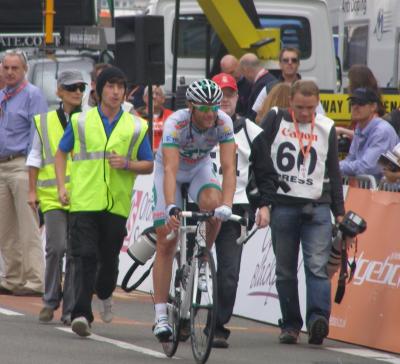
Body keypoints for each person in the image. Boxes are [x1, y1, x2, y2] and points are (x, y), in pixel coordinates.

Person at [55, 66, 154, 337]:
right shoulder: (81, 121)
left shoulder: (136, 125)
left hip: (117, 205)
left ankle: (106, 292)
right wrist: (62, 186)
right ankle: (81, 315)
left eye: (120, 87)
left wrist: (128, 163)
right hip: (84, 202)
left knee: (108, 261)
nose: (115, 91)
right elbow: (61, 153)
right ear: (99, 91)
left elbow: (149, 164)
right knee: (84, 256)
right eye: (110, 86)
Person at [251, 80, 346, 345]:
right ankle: (291, 324)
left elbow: (334, 173)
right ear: (290, 101)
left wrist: (340, 212)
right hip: (283, 205)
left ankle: (318, 320)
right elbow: (257, 155)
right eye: (300, 107)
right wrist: (262, 199)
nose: (305, 114)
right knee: (285, 269)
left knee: (317, 266)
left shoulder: (326, 127)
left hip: (318, 206)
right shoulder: (275, 119)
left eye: (311, 108)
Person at [151, 78, 237, 341]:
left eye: (214, 107)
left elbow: (229, 167)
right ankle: (161, 316)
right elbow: (170, 169)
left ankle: (201, 258)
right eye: (204, 109)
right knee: (166, 240)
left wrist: (227, 205)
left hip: (200, 167)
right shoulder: (175, 123)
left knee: (213, 203)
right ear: (190, 107)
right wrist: (171, 206)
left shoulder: (223, 121)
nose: (210, 114)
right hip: (171, 172)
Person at [210, 73, 276, 348]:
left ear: (239, 98)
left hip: (234, 208)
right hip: (200, 204)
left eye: (230, 93)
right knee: (189, 264)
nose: (225, 99)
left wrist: (264, 205)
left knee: (228, 273)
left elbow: (265, 174)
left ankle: (217, 326)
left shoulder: (252, 131)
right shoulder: (195, 127)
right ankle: (180, 317)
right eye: (220, 93)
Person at [26, 70, 86, 324]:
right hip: (52, 197)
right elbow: (35, 157)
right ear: (59, 91)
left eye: (81, 87)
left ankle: (71, 308)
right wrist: (32, 191)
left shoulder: (90, 119)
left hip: (83, 196)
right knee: (56, 248)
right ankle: (50, 300)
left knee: (75, 252)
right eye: (71, 87)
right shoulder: (44, 121)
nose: (77, 92)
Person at [0, 49, 47, 296]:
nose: (9, 72)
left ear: (24, 70)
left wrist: (32, 176)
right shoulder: (2, 96)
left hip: (21, 164)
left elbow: (37, 136)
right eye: (5, 67)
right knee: (5, 228)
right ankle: (13, 276)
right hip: (2, 165)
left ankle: (35, 279)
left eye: (14, 68)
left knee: (28, 226)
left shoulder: (32, 95)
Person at [340, 88, 399, 181]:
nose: (355, 107)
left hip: (387, 192)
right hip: (369, 190)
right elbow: (351, 158)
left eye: (361, 103)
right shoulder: (360, 128)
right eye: (352, 103)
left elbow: (367, 167)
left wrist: (336, 167)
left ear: (373, 107)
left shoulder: (382, 131)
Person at [253, 47, 325, 120]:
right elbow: (256, 113)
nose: (290, 63)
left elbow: (321, 116)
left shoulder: (308, 89)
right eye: (286, 60)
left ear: (298, 64)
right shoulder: (269, 88)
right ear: (280, 64)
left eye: (294, 60)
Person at [336, 64, 386, 140]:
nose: (347, 86)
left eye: (350, 82)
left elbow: (366, 135)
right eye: (352, 103)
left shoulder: (372, 115)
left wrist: (342, 131)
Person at [239, 53, 277, 120]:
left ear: (246, 70)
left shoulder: (262, 85)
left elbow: (254, 114)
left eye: (243, 72)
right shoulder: (270, 80)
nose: (244, 77)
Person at [136, 85, 173, 152]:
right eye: (151, 93)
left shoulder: (171, 116)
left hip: (164, 155)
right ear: (144, 98)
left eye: (157, 94)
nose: (154, 96)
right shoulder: (136, 116)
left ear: (163, 99)